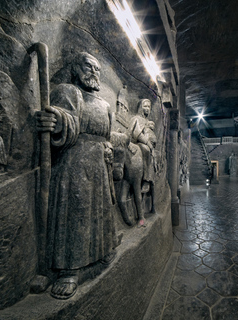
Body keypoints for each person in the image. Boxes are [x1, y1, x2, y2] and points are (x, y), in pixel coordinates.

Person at [36, 52, 117, 299]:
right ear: (75, 69)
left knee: (100, 210)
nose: (93, 72)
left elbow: (107, 136)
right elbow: (64, 117)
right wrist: (55, 121)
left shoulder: (104, 105)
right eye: (88, 66)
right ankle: (69, 270)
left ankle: (103, 250)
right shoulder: (68, 91)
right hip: (74, 163)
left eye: (97, 69)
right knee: (77, 212)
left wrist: (109, 147)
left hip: (99, 164)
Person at [128, 99, 157, 224]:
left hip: (149, 144)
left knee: (148, 151)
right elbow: (136, 132)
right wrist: (148, 143)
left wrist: (152, 144)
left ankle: (147, 179)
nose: (147, 108)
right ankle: (145, 178)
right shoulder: (136, 118)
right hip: (139, 143)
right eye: (145, 106)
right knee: (145, 149)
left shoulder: (148, 122)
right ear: (140, 107)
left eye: (149, 106)